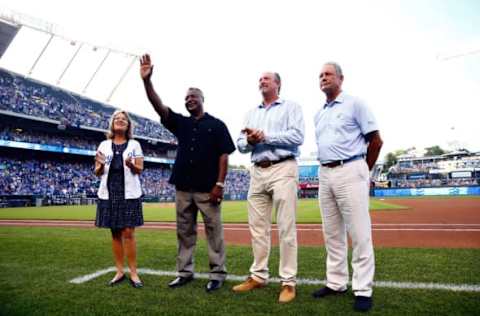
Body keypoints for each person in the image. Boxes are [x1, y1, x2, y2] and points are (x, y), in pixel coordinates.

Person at [140, 54, 236, 293]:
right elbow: (158, 106)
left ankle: (217, 273)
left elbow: (224, 155)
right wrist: (147, 82)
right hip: (183, 187)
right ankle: (184, 272)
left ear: (203, 99)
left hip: (207, 188)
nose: (189, 100)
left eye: (193, 96)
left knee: (214, 232)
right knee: (184, 232)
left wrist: (220, 184)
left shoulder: (217, 124)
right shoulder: (181, 123)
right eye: (186, 98)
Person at [312, 62, 383, 312]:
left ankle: (363, 289)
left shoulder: (355, 103)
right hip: (325, 172)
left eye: (328, 74)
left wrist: (365, 169)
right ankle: (336, 282)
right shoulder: (319, 113)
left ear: (341, 78)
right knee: (332, 233)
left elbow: (376, 140)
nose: (323, 77)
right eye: (320, 75)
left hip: (351, 169)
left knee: (360, 233)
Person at [233, 72, 305, 303]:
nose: (262, 82)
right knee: (257, 228)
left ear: (278, 84)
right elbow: (241, 144)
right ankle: (258, 275)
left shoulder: (291, 107)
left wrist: (265, 136)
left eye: (267, 79)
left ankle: (288, 282)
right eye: (260, 80)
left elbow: (297, 136)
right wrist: (252, 141)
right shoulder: (251, 113)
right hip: (257, 170)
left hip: (283, 166)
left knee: (286, 227)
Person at [95, 110, 145, 288]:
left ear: (128, 125)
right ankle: (119, 271)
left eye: (124, 119)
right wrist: (99, 165)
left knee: (128, 233)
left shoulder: (135, 144)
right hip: (108, 193)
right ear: (112, 124)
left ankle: (133, 273)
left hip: (129, 193)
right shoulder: (103, 144)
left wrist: (131, 164)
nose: (120, 121)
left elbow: (140, 169)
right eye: (117, 119)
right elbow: (97, 172)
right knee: (115, 233)